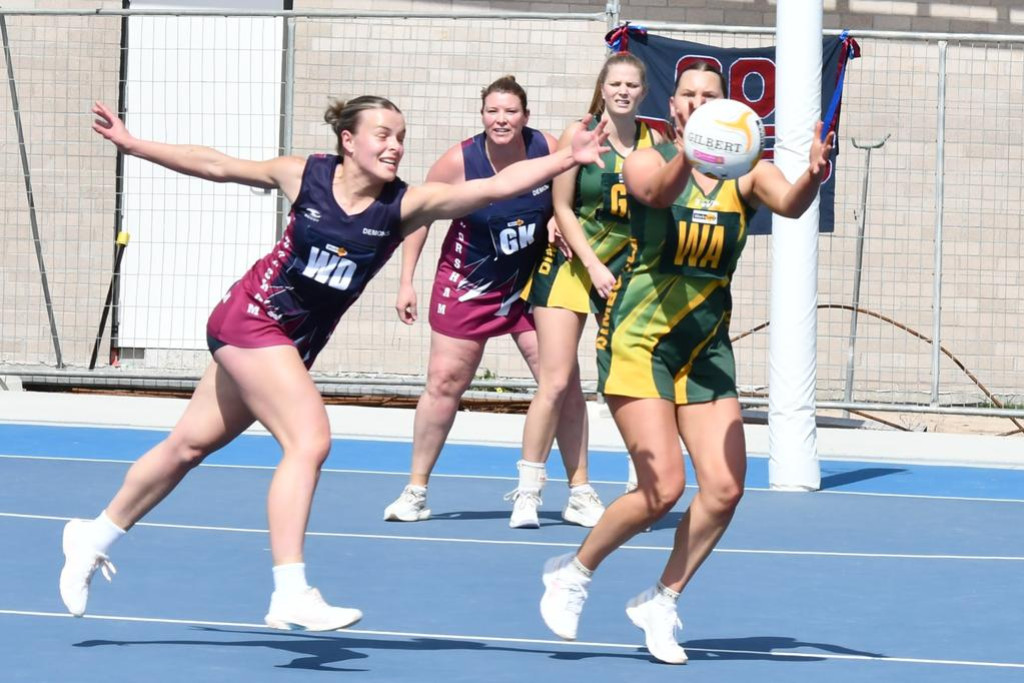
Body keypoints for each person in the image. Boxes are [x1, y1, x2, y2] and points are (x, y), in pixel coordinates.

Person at [60, 96, 609, 630]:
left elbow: (490, 187)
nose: (395, 147)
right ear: (348, 141)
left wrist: (564, 157)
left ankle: (95, 534)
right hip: (250, 318)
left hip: (292, 342)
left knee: (187, 446)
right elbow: (217, 164)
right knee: (310, 440)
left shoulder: (403, 206)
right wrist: (132, 144)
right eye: (383, 135)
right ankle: (290, 591)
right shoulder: (305, 176)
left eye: (401, 137)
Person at [538, 60, 835, 663]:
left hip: (704, 348)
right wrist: (692, 151)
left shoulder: (748, 172)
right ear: (673, 106)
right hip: (639, 340)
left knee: (725, 490)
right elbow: (656, 193)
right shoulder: (647, 158)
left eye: (711, 97)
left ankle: (662, 598)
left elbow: (793, 206)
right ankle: (574, 570)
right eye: (689, 96)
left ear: (730, 109)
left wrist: (812, 174)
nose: (698, 104)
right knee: (663, 487)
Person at [383, 76, 605, 529]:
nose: (501, 119)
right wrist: (405, 279)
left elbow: (569, 199)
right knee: (444, 382)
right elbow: (421, 215)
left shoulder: (545, 146)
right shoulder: (459, 160)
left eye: (510, 111)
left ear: (525, 116)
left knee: (561, 382)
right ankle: (416, 489)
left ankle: (579, 491)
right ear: (482, 115)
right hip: (469, 284)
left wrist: (555, 224)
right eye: (492, 111)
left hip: (528, 286)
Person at [517, 53, 661, 528]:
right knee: (556, 381)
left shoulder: (655, 142)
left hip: (628, 269)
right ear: (602, 87)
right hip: (575, 264)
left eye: (631, 84)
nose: (622, 90)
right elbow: (561, 207)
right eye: (614, 83)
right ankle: (529, 489)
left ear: (642, 92)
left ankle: (640, 482)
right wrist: (594, 263)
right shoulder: (577, 133)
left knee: (630, 380)